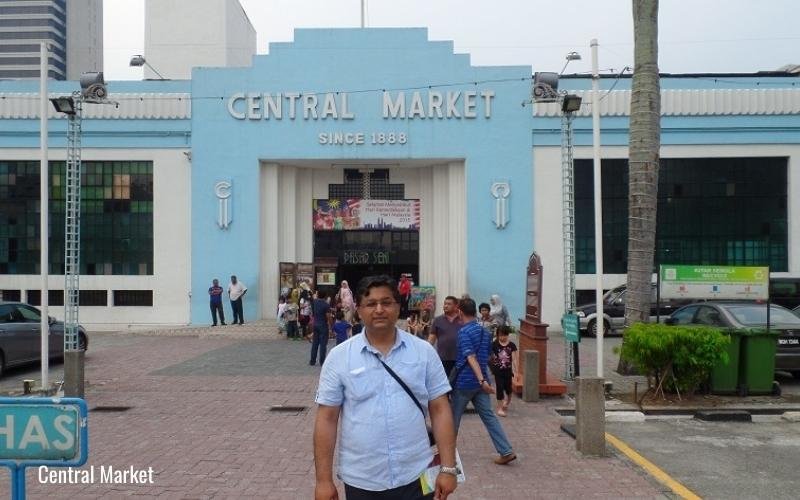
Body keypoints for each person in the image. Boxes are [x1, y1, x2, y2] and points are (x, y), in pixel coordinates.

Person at [313, 275, 457, 500]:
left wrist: (448, 469)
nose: (379, 309)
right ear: (358, 310)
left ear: (398, 307)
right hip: (362, 480)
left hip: (416, 475)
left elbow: (440, 409)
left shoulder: (424, 352)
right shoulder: (339, 357)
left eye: (386, 302)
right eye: (371, 304)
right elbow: (327, 419)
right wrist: (323, 481)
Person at [450, 298, 516, 465]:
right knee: (489, 417)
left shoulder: (464, 332)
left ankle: (447, 455)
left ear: (460, 312)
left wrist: (480, 379)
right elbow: (487, 357)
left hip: (465, 383)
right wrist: (485, 380)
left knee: (453, 420)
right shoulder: (485, 333)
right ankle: (506, 450)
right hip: (482, 385)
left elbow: (470, 357)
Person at [428, 296, 463, 378]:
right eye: (445, 304)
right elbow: (431, 339)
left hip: (459, 358)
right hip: (443, 358)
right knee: (445, 383)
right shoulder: (437, 320)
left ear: (455, 306)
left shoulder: (462, 319)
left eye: (449, 304)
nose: (445, 306)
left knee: (457, 383)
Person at [490, 325, 518, 417]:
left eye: (504, 335)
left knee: (509, 390)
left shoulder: (512, 345)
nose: (502, 337)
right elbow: (490, 355)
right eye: (500, 335)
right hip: (498, 372)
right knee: (499, 388)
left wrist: (516, 371)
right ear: (497, 335)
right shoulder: (494, 344)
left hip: (508, 372)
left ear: (508, 334)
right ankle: (500, 408)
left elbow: (514, 359)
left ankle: (507, 401)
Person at [310, 290, 332, 366]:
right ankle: (322, 362)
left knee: (315, 343)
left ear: (318, 295)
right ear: (325, 296)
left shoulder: (315, 302)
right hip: (323, 325)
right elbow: (328, 316)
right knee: (323, 344)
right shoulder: (326, 305)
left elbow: (313, 296)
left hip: (315, 324)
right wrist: (331, 325)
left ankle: (312, 361)